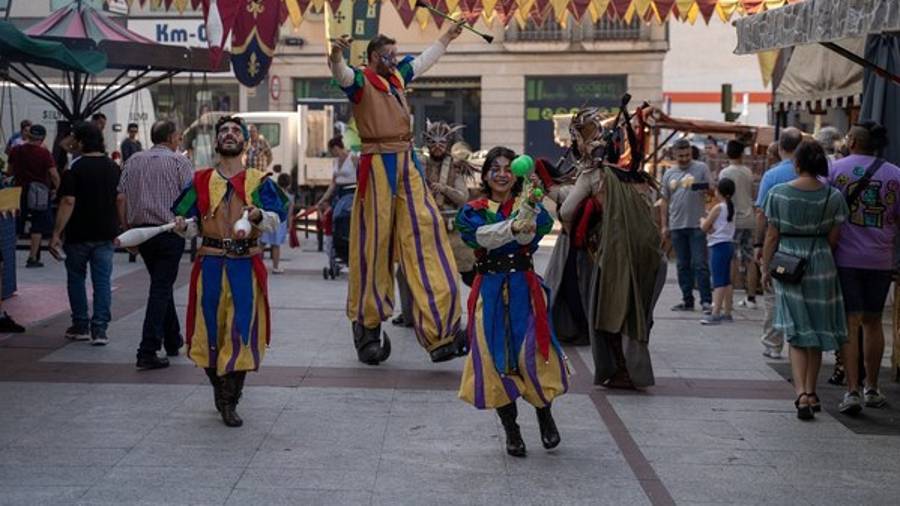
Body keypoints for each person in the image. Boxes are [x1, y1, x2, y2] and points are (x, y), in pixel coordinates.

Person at [329, 26, 467, 364]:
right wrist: (335, 54)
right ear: (375, 57)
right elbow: (341, 73)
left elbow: (423, 61)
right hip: (377, 167)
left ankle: (441, 333)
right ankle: (366, 328)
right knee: (372, 247)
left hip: (408, 165)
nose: (396, 58)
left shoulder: (396, 79)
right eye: (390, 54)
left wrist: (446, 37)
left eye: (396, 53)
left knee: (426, 239)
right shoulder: (362, 81)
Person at [172, 115, 288, 427]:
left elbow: (279, 217)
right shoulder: (200, 180)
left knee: (240, 331)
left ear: (245, 142)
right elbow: (189, 221)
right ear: (217, 140)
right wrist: (184, 227)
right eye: (223, 130)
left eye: (235, 130)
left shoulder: (259, 181)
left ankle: (229, 399)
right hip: (209, 262)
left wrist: (259, 215)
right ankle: (219, 385)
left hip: (244, 265)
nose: (229, 134)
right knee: (210, 330)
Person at [456, 146, 567, 457]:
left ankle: (545, 417)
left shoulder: (529, 205)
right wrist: (515, 221)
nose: (502, 173)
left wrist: (529, 207)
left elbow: (528, 236)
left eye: (508, 168)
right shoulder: (473, 210)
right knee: (494, 361)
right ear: (486, 174)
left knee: (533, 355)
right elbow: (480, 238)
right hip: (489, 291)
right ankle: (512, 430)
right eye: (496, 167)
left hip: (523, 289)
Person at [557, 106, 666, 389]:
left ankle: (623, 371)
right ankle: (631, 369)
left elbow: (567, 211)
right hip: (651, 255)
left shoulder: (593, 175)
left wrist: (576, 231)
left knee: (611, 312)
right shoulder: (638, 176)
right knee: (639, 312)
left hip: (615, 255)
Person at [761, 140, 848, 420]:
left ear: (797, 164)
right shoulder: (832, 196)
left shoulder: (778, 194)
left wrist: (765, 266)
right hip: (821, 262)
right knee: (817, 331)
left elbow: (771, 235)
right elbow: (835, 238)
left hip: (789, 261)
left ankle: (800, 394)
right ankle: (812, 391)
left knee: (797, 332)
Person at [828, 122, 899, 414]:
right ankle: (873, 387)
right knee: (873, 321)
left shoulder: (835, 171)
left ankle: (852, 390)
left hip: (845, 259)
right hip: (880, 259)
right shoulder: (895, 174)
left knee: (851, 322)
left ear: (854, 141)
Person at [117, 120, 194, 370]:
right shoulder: (178, 161)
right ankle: (147, 349)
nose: (180, 140)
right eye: (178, 136)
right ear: (171, 137)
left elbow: (121, 196)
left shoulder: (134, 160)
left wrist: (128, 229)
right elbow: (191, 195)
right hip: (169, 231)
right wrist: (184, 218)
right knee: (161, 287)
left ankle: (173, 340)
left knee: (162, 284)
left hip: (142, 233)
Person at [50, 122, 120, 345]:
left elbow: (68, 201)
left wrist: (56, 233)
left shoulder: (74, 168)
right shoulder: (113, 167)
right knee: (102, 282)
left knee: (77, 279)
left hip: (79, 234)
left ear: (80, 142)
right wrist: (123, 226)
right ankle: (100, 329)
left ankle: (80, 325)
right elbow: (120, 199)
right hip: (106, 233)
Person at [755, 127, 802, 359]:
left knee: (774, 293)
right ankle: (800, 341)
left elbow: (762, 215)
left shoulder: (772, 176)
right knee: (799, 294)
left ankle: (773, 344)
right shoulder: (817, 175)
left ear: (781, 147)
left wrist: (758, 245)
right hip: (808, 248)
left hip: (779, 249)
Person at [422, 120, 477, 287]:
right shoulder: (418, 164)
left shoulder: (455, 166)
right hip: (426, 226)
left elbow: (462, 197)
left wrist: (444, 189)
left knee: (466, 271)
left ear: (448, 144)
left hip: (451, 229)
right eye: (433, 142)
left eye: (442, 142)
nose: (437, 146)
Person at [660, 138, 713, 313]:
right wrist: (664, 225)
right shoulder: (668, 173)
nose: (684, 158)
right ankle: (687, 299)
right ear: (674, 154)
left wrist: (704, 190)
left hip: (698, 224)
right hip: (676, 225)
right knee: (682, 265)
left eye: (687, 155)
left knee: (700, 264)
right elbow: (665, 201)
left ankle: (706, 301)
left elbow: (712, 192)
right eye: (681, 155)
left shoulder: (701, 168)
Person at [8, 125, 60, 268]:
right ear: (42, 138)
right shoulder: (44, 154)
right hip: (39, 192)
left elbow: (9, 171)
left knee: (16, 224)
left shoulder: (16, 150)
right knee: (37, 225)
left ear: (28, 136)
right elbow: (54, 175)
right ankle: (32, 258)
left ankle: (8, 256)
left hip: (18, 191)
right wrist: (58, 189)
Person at [719, 140, 758, 308]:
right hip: (749, 219)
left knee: (732, 258)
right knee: (750, 259)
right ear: (742, 154)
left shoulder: (724, 173)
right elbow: (752, 194)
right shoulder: (748, 172)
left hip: (732, 220)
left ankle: (730, 298)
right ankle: (751, 298)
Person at [701, 178, 736, 325]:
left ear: (718, 191)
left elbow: (705, 227)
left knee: (718, 281)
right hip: (728, 244)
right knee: (726, 280)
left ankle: (716, 313)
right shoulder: (731, 207)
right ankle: (727, 312)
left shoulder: (718, 207)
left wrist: (702, 220)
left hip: (717, 245)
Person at [260, 173, 294, 274]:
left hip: (268, 219)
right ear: (289, 185)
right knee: (276, 245)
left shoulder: (272, 193)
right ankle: (275, 267)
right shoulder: (289, 197)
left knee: (262, 243)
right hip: (280, 222)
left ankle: (257, 265)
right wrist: (289, 225)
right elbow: (290, 214)